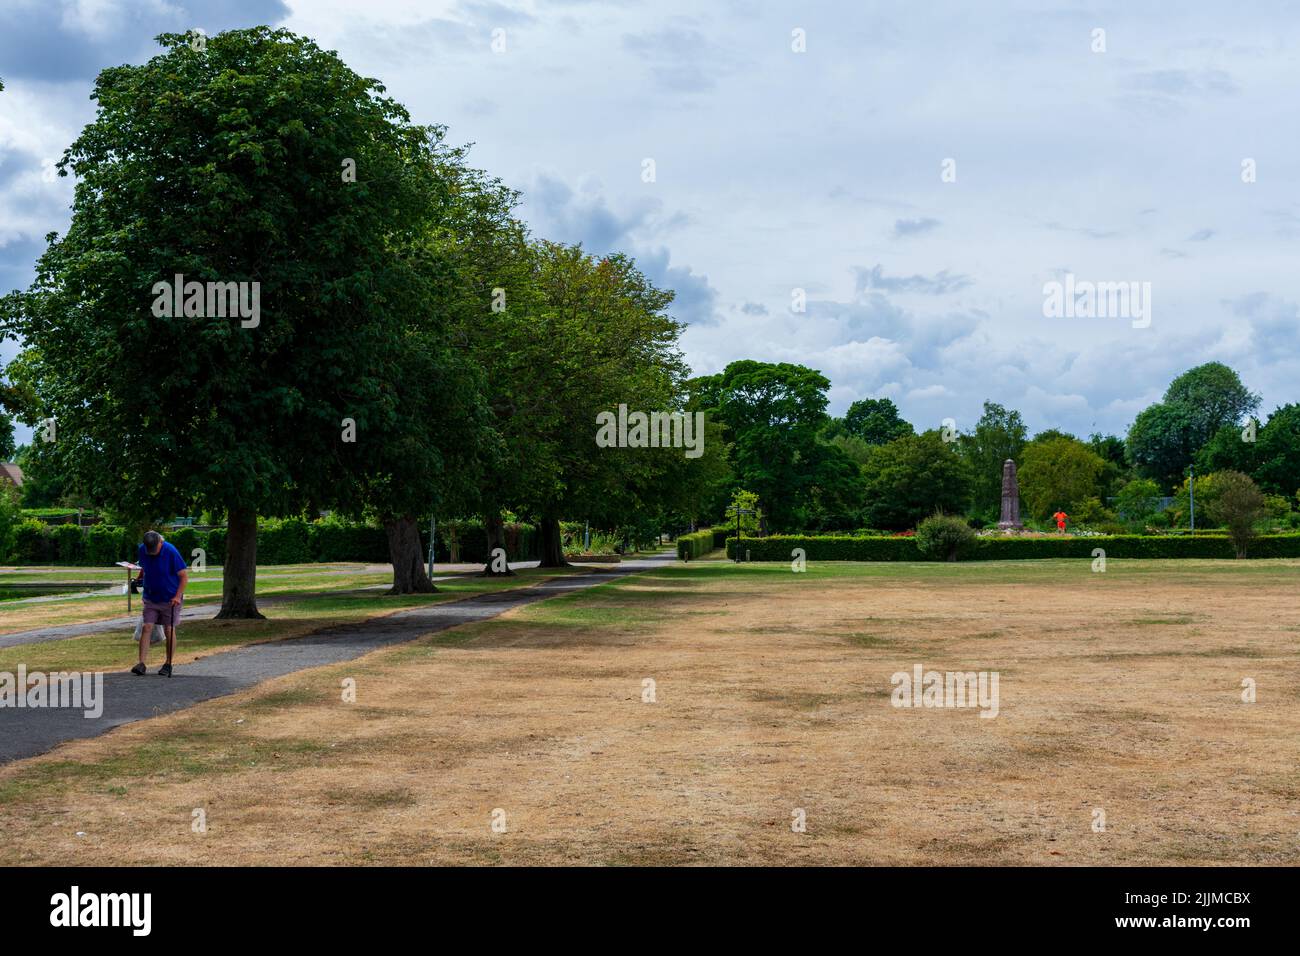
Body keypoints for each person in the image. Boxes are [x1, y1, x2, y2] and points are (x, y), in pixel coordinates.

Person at [131, 530, 188, 677]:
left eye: (153, 549)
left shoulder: (171, 551)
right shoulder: (143, 550)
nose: (151, 553)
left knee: (169, 629)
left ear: (160, 542)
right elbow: (145, 567)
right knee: (147, 627)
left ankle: (168, 663)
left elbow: (183, 577)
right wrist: (140, 580)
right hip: (151, 597)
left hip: (170, 599)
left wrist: (177, 596)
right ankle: (141, 664)